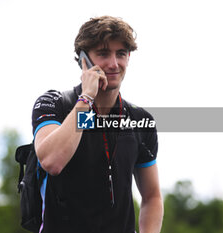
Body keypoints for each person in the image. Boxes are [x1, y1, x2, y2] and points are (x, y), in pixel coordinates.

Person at [32, 16, 163, 233]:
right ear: (84, 59)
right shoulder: (54, 104)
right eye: (103, 53)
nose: (113, 64)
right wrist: (86, 99)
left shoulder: (140, 121)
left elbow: (152, 196)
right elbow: (52, 161)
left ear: (128, 57)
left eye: (120, 54)